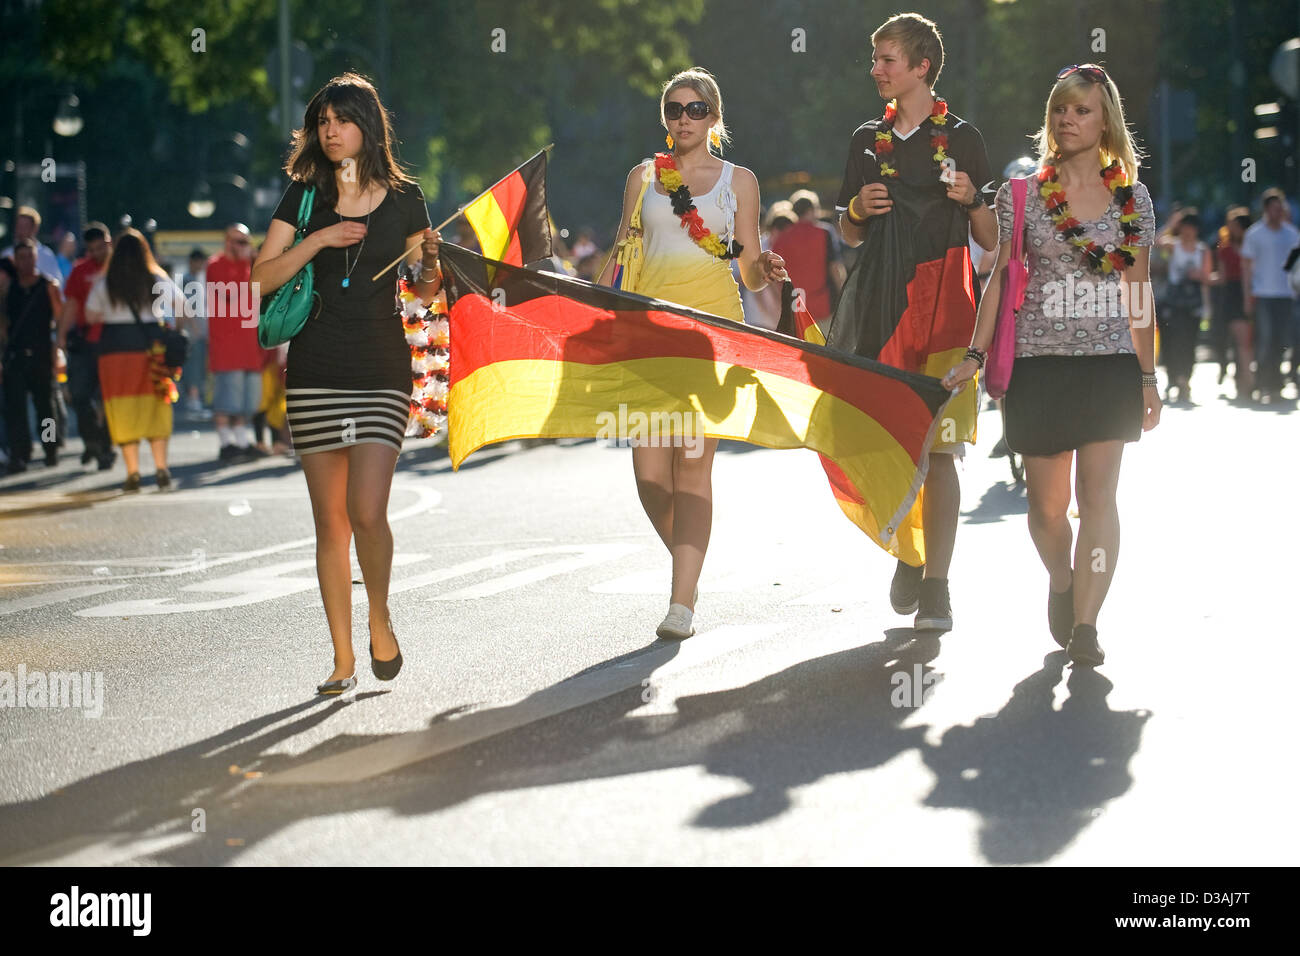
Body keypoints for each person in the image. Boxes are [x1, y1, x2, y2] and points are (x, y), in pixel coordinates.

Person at [944, 64, 1159, 667]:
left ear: (1105, 119)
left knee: (1099, 498)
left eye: (1082, 110)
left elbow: (1139, 289)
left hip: (1110, 364)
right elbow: (1003, 278)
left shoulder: (1132, 197)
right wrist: (974, 354)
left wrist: (1148, 376)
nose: (1068, 120)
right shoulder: (1025, 194)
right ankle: (1061, 579)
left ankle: (1087, 624)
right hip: (1039, 364)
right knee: (1044, 508)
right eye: (1060, 110)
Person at [252, 72, 440, 695]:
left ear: (367, 125)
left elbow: (426, 288)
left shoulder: (407, 197)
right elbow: (260, 278)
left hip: (382, 368)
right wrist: (320, 240)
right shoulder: (303, 198)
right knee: (329, 522)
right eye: (322, 122)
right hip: (314, 371)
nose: (330, 132)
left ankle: (379, 615)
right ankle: (341, 658)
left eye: (342, 120)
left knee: (367, 510)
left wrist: (434, 260)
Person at [597, 67, 787, 640]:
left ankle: (681, 601)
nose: (684, 118)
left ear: (714, 116)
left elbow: (748, 266)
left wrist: (766, 271)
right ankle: (692, 563)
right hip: (648, 337)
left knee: (692, 466)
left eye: (696, 109)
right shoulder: (642, 178)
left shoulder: (740, 181)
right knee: (650, 477)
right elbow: (621, 254)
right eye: (674, 109)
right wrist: (579, 301)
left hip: (711, 335)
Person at [832, 12, 997, 633]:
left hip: (948, 305)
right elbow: (846, 235)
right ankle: (908, 550)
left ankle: (937, 584)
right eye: (875, 60)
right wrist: (854, 209)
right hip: (882, 307)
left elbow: (992, 239)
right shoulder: (863, 140)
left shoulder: (964, 139)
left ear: (922, 65)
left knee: (944, 450)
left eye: (887, 59)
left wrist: (972, 199)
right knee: (889, 441)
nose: (875, 69)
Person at [83, 228, 186, 491]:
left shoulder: (104, 282)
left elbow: (91, 316)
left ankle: (132, 473)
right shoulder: (155, 278)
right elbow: (183, 307)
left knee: (123, 409)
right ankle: (162, 468)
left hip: (115, 354)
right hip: (151, 349)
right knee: (156, 406)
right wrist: (173, 331)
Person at [57, 221, 116, 470]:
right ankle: (91, 440)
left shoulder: (120, 270)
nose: (96, 254)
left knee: (107, 399)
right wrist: (60, 337)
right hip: (84, 343)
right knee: (79, 396)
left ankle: (105, 447)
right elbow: (70, 305)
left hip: (113, 343)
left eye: (100, 247)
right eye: (91, 249)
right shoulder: (80, 270)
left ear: (109, 243)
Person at [2, 238, 64, 473]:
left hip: (41, 354)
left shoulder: (49, 286)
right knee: (15, 408)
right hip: (15, 354)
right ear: (15, 261)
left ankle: (50, 448)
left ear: (36, 258)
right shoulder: (8, 288)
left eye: (29, 256)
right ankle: (20, 453)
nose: (26, 261)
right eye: (21, 257)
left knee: (45, 407)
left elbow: (59, 319)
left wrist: (57, 350)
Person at [207, 224, 265, 460]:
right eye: (236, 241)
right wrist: (246, 262)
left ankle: (241, 441)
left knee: (245, 400)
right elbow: (231, 293)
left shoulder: (251, 265)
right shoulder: (216, 265)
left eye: (244, 241)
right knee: (226, 398)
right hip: (226, 344)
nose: (241, 246)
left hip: (249, 344)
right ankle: (225, 443)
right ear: (226, 241)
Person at [1241, 188, 1300, 402]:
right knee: (1264, 339)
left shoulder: (1292, 234)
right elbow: (1247, 268)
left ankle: (1276, 382)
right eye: (1274, 208)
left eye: (1280, 208)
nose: (1278, 212)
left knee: (1282, 340)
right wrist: (1247, 296)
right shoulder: (1255, 234)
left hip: (1286, 295)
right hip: (1263, 294)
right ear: (1266, 209)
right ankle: (1262, 382)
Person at [1158, 208, 1210, 404]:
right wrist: (1172, 224)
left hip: (1193, 302)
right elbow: (1156, 241)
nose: (1188, 231)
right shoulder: (1174, 246)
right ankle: (1173, 379)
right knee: (1171, 342)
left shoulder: (1202, 250)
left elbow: (1207, 277)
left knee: (1189, 343)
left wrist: (1200, 277)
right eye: (1185, 227)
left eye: (1191, 227)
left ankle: (1184, 380)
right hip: (1173, 302)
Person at [771, 189, 844, 326]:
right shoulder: (824, 232)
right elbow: (835, 268)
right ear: (812, 210)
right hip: (823, 305)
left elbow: (774, 278)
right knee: (825, 345)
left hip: (796, 308)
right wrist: (843, 296)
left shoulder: (782, 238)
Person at [1210, 207, 1253, 400]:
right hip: (1231, 294)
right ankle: (1241, 378)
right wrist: (1205, 278)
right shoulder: (1225, 249)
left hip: (1251, 291)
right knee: (1234, 340)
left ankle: (1247, 379)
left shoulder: (1252, 246)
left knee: (1247, 342)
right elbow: (1222, 276)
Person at [180, 247, 211, 417]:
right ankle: (193, 400)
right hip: (194, 333)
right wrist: (196, 329)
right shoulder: (188, 281)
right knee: (194, 367)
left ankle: (195, 399)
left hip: (198, 331)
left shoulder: (197, 279)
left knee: (198, 367)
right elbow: (187, 308)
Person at [2, 206, 62, 282]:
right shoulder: (6, 254)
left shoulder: (46, 255)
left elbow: (57, 283)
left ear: (35, 228)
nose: (21, 230)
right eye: (19, 226)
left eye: (25, 226)